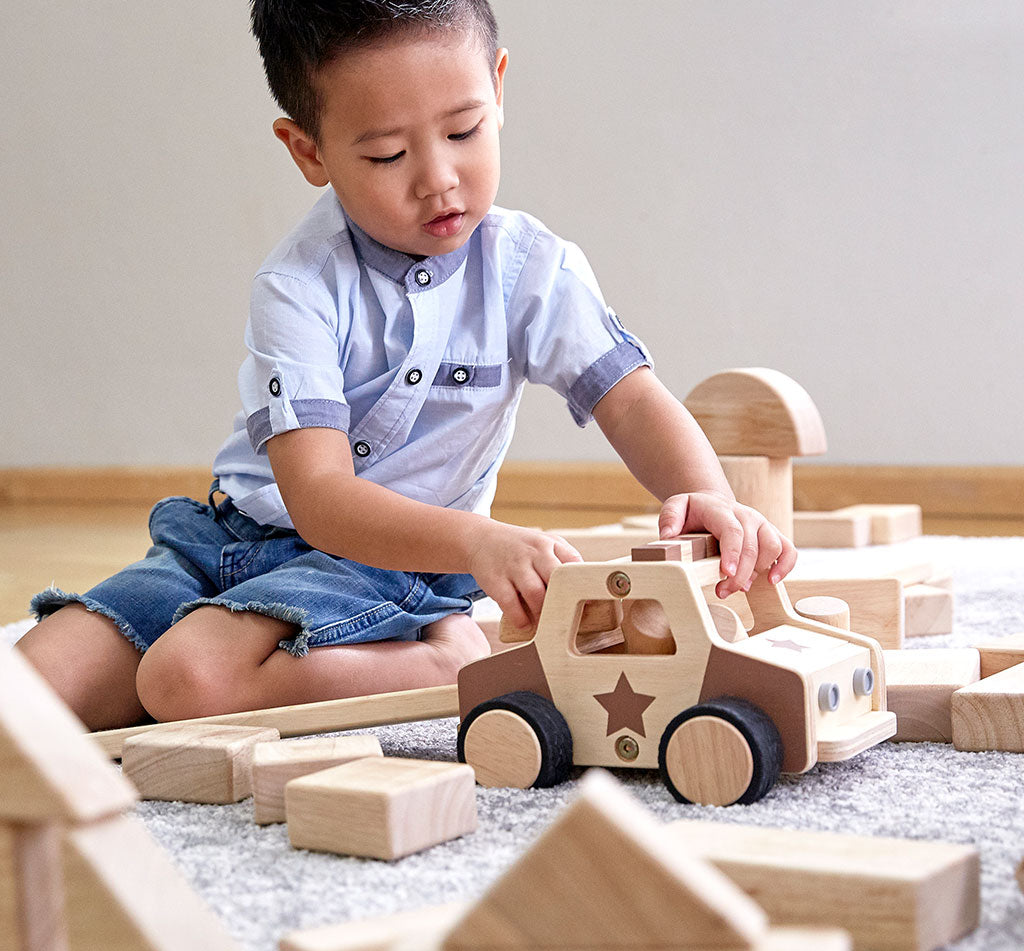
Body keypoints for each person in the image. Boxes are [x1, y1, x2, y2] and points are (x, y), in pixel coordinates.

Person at [17, 0, 796, 731]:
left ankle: (447, 661)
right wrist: (481, 542)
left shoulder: (530, 269)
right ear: (309, 151)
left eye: (463, 131)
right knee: (27, 695)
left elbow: (631, 400)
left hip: (397, 565)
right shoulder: (297, 285)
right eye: (387, 154)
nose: (438, 179)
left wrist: (707, 496)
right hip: (227, 538)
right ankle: (286, 652)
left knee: (182, 680)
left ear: (497, 88)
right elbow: (319, 498)